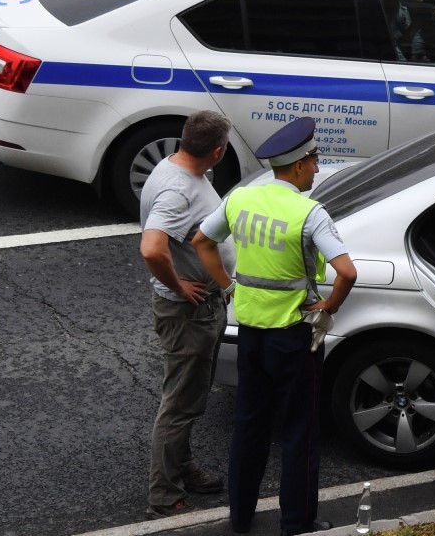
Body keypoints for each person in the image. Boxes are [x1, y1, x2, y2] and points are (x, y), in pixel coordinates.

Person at [193, 117, 357, 536]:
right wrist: (329, 303)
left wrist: (229, 287)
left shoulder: (241, 199)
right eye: (315, 161)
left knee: (250, 424)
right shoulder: (309, 212)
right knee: (299, 431)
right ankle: (297, 522)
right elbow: (347, 272)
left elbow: (202, 241)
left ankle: (241, 515)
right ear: (299, 165)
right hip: (292, 335)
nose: (318, 169)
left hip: (249, 332)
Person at [139, 110, 236, 518]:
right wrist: (180, 286)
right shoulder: (178, 190)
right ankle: (164, 495)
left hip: (197, 309)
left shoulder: (175, 167)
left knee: (191, 395)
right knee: (181, 403)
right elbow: (151, 248)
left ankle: (182, 466)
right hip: (188, 312)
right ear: (217, 151)